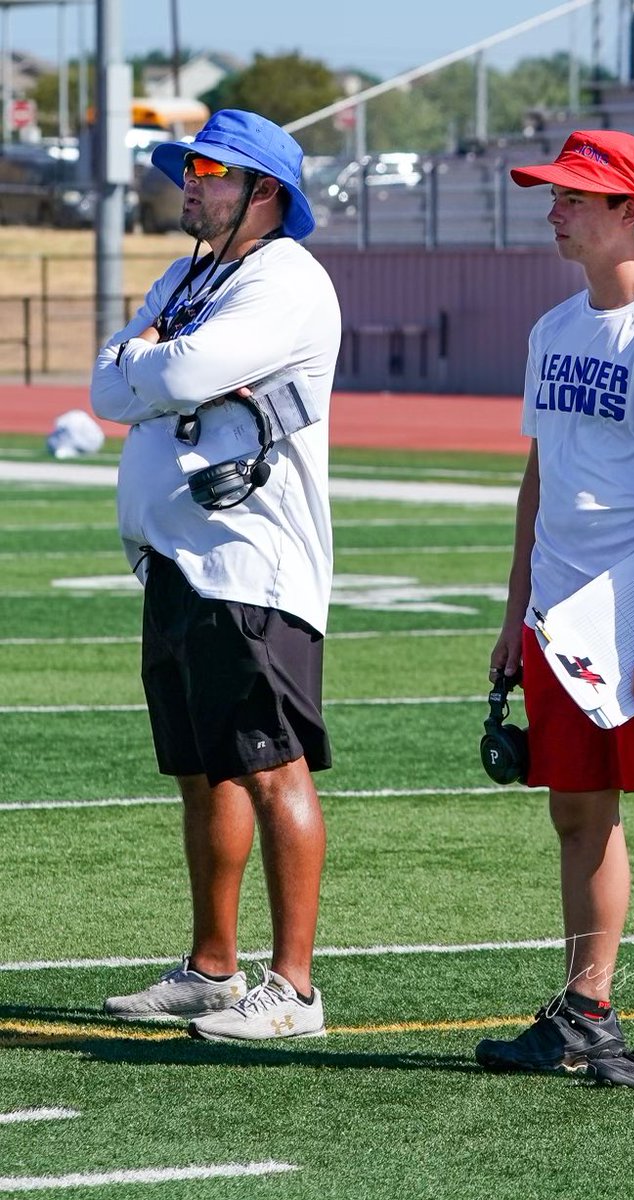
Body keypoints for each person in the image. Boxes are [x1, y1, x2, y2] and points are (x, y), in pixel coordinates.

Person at [474, 131, 634, 1087]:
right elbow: (536, 484)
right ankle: (587, 1009)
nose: (553, 208)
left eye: (574, 195)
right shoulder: (554, 329)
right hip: (559, 621)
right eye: (553, 193)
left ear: (629, 210)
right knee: (578, 813)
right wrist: (515, 614)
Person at [91, 109, 341, 1043]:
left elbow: (184, 366)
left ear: (263, 191)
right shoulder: (197, 270)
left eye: (209, 170)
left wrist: (149, 365)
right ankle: (212, 969)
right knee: (203, 771)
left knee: (271, 767)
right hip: (177, 555)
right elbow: (106, 386)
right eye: (189, 169)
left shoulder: (286, 279)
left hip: (248, 559)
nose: (188, 184)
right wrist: (152, 369)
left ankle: (297, 988)